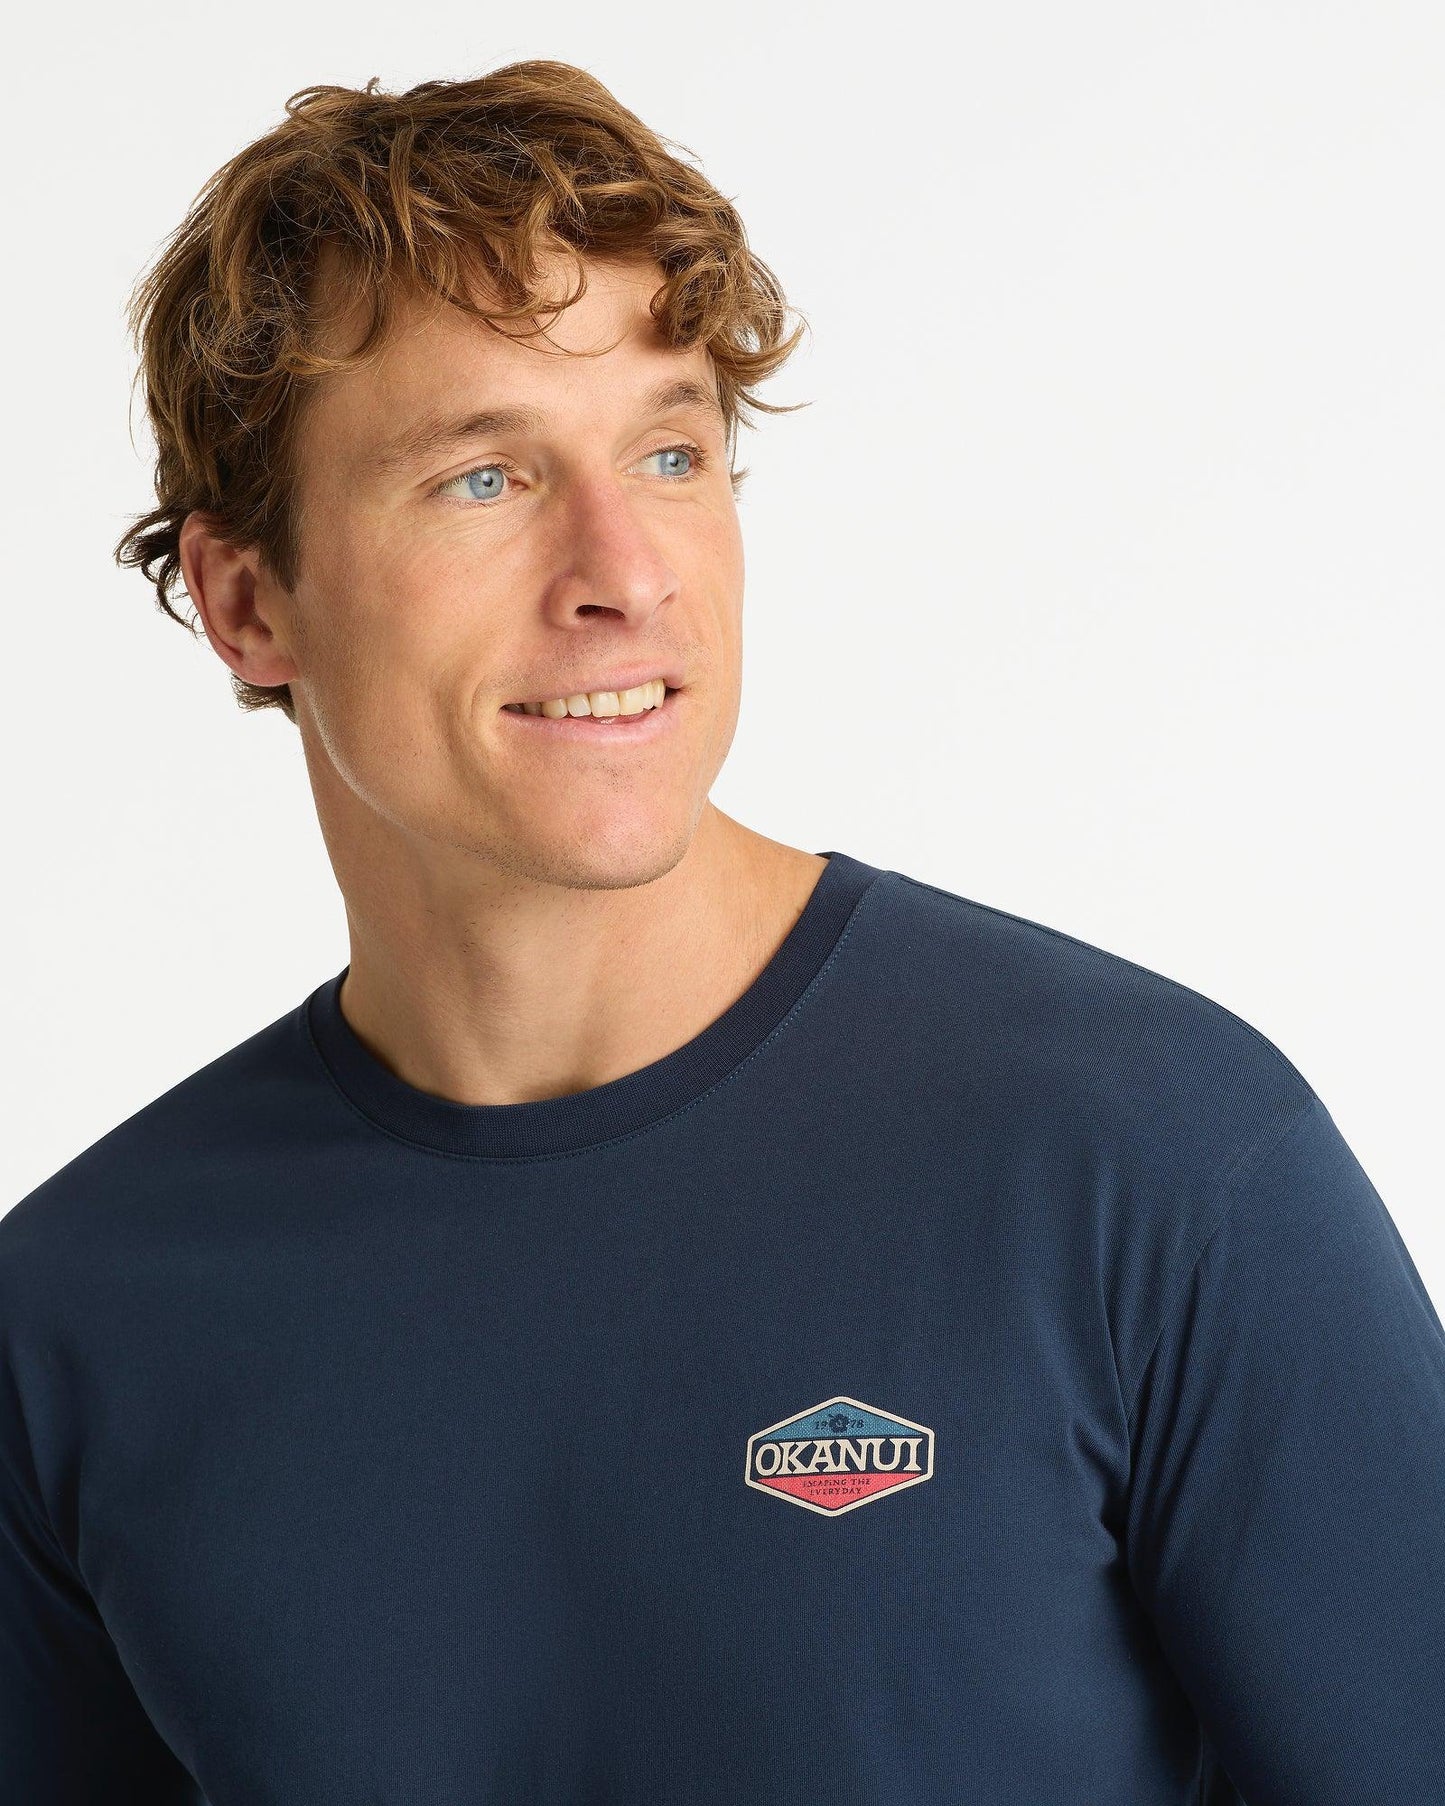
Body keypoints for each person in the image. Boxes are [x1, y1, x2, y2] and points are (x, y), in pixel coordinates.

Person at [2, 61, 1441, 1806]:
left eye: (671, 452)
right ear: (248, 600)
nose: (624, 570)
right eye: (483, 477)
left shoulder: (1152, 1159)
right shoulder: (78, 1322)